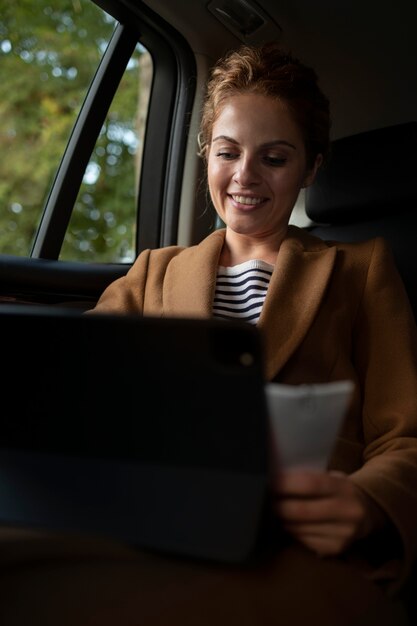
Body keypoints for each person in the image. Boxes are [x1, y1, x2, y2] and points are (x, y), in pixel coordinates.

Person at [1, 42, 416, 626]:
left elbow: (407, 433)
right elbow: (75, 397)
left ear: (311, 167)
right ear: (206, 155)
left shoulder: (361, 268)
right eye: (228, 153)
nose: (245, 176)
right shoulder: (153, 273)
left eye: (274, 158)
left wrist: (370, 502)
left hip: (297, 536)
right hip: (150, 521)